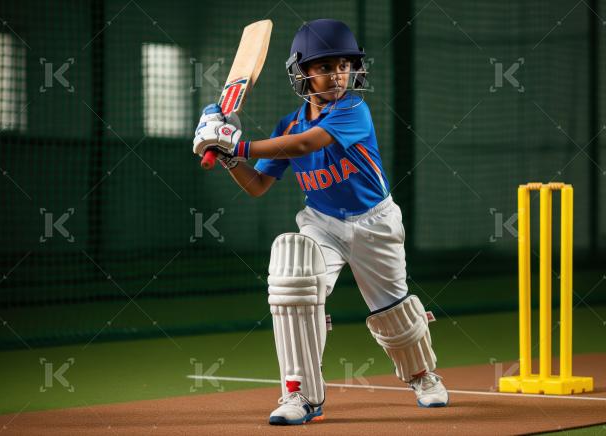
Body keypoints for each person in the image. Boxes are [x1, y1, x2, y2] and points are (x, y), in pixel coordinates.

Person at [192, 18, 448, 426]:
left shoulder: (352, 110)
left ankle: (423, 375)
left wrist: (234, 141)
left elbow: (308, 143)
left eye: (344, 65)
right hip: (322, 222)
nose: (338, 75)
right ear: (303, 73)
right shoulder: (287, 125)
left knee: (393, 311)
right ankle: (299, 395)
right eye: (325, 66)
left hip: (375, 222)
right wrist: (225, 154)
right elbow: (257, 185)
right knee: (293, 276)